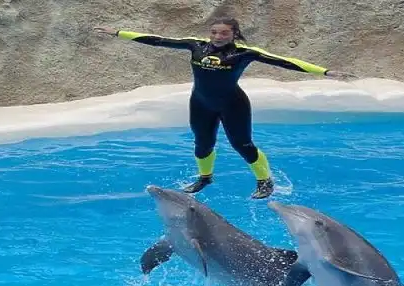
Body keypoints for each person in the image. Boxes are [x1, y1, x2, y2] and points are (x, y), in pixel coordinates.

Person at [94, 17, 352, 199]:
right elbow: (158, 40)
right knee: (202, 145)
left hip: (233, 104)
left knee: (243, 145)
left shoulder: (244, 52)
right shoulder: (195, 45)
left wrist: (325, 72)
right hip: (201, 103)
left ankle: (265, 181)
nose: (218, 37)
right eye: (214, 32)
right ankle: (205, 178)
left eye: (224, 33)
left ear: (234, 34)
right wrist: (118, 32)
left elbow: (285, 62)